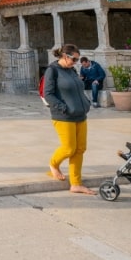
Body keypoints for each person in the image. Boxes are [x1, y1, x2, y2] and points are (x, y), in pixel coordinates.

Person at [43, 44, 95, 195]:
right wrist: (63, 108)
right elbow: (48, 94)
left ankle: (76, 184)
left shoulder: (71, 70)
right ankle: (53, 164)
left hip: (80, 115)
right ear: (65, 56)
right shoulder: (52, 71)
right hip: (64, 117)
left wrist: (86, 103)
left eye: (78, 60)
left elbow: (78, 89)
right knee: (68, 148)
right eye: (74, 59)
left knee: (80, 149)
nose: (76, 62)